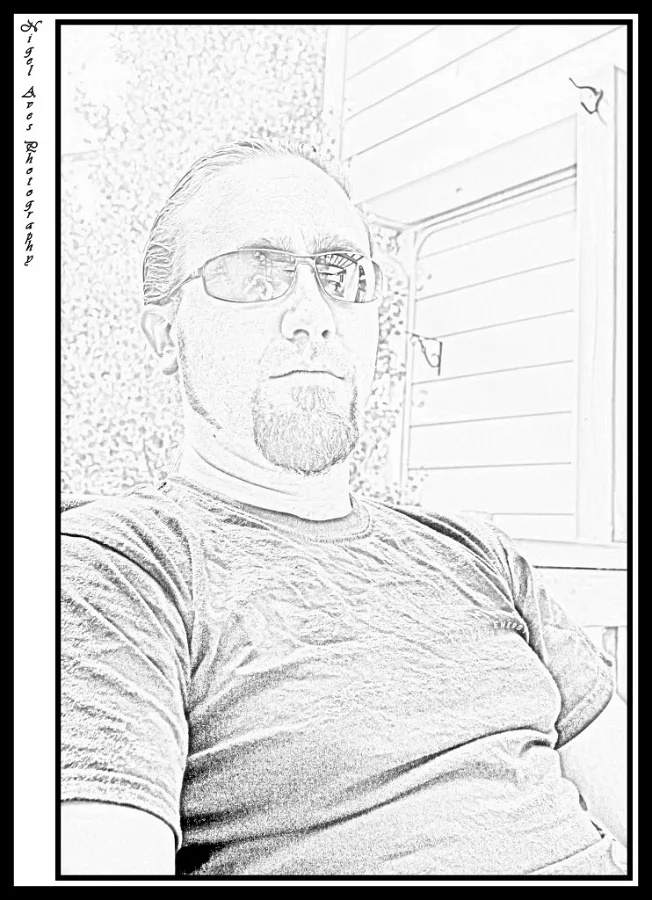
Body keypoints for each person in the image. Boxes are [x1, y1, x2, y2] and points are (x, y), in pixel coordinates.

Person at [61, 138, 627, 877]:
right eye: (255, 274)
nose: (313, 313)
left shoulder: (474, 553)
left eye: (341, 274)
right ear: (166, 336)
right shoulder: (118, 571)